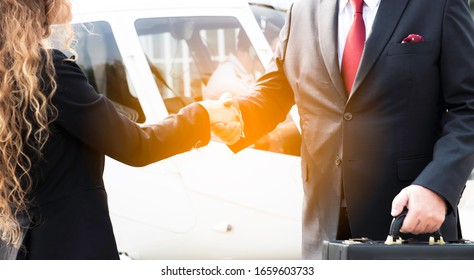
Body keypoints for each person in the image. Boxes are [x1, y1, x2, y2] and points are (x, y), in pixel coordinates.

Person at [211, 0, 474, 259]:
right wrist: (237, 118)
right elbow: (276, 92)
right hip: (324, 230)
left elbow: (468, 106)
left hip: (410, 225)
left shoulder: (439, 5)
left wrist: (438, 187)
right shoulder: (302, 9)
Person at [0, 0, 240, 260]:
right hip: (72, 247)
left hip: (19, 249)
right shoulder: (48, 72)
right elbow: (137, 146)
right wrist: (204, 114)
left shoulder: (9, 74)